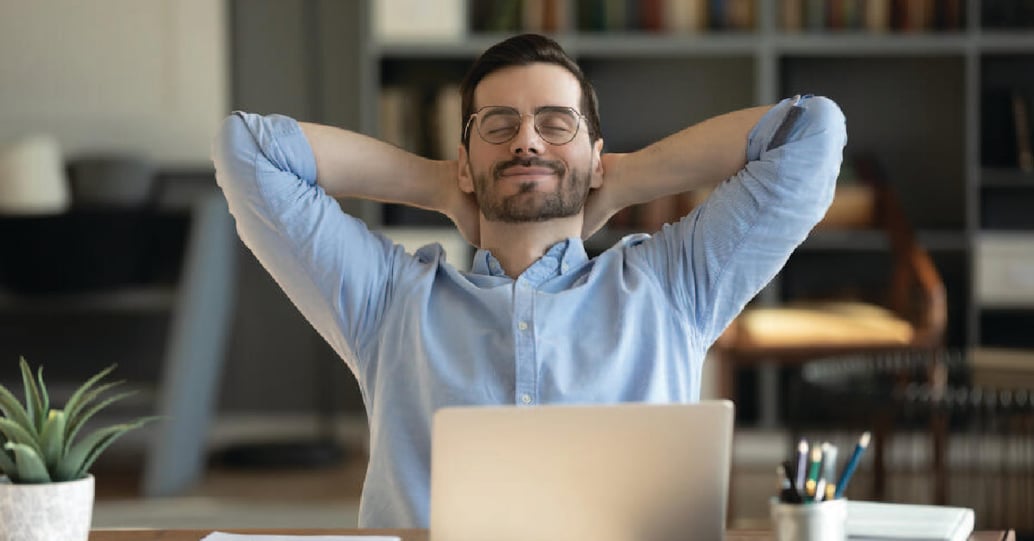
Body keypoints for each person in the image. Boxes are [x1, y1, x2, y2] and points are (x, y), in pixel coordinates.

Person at [213, 33, 846, 528]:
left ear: (594, 154)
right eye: (498, 124)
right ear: (466, 159)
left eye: (556, 123)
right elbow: (248, 150)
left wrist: (624, 179)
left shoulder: (672, 285)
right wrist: (440, 185)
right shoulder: (387, 299)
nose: (526, 142)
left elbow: (812, 131)